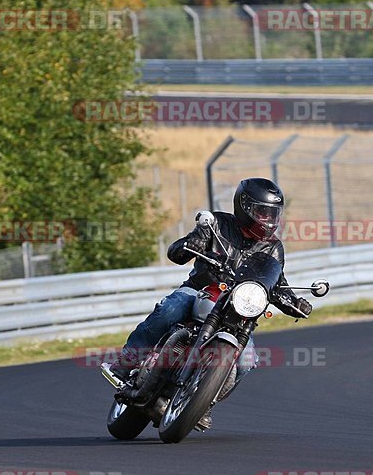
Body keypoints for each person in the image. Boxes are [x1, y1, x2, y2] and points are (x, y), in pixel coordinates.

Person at [110, 178, 313, 428]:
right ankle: (129, 360)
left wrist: (294, 301)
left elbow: (276, 281)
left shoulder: (273, 249)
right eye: (262, 212)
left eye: (272, 213)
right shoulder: (217, 224)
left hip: (236, 313)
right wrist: (190, 245)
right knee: (170, 309)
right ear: (244, 207)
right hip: (201, 291)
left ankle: (203, 402)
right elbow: (177, 251)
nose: (267, 219)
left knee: (247, 360)